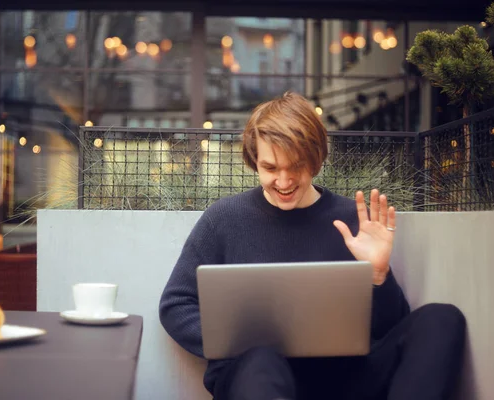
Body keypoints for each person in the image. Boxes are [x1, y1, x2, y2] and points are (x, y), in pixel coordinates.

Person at [159, 92, 466, 400]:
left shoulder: (352, 220)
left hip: (345, 378)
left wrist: (378, 274)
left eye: (296, 167)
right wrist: (230, 341)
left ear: (316, 159)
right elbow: (176, 304)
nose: (283, 181)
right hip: (257, 377)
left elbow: (391, 327)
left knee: (442, 318)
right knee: (261, 360)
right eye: (270, 168)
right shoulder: (224, 219)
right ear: (255, 161)